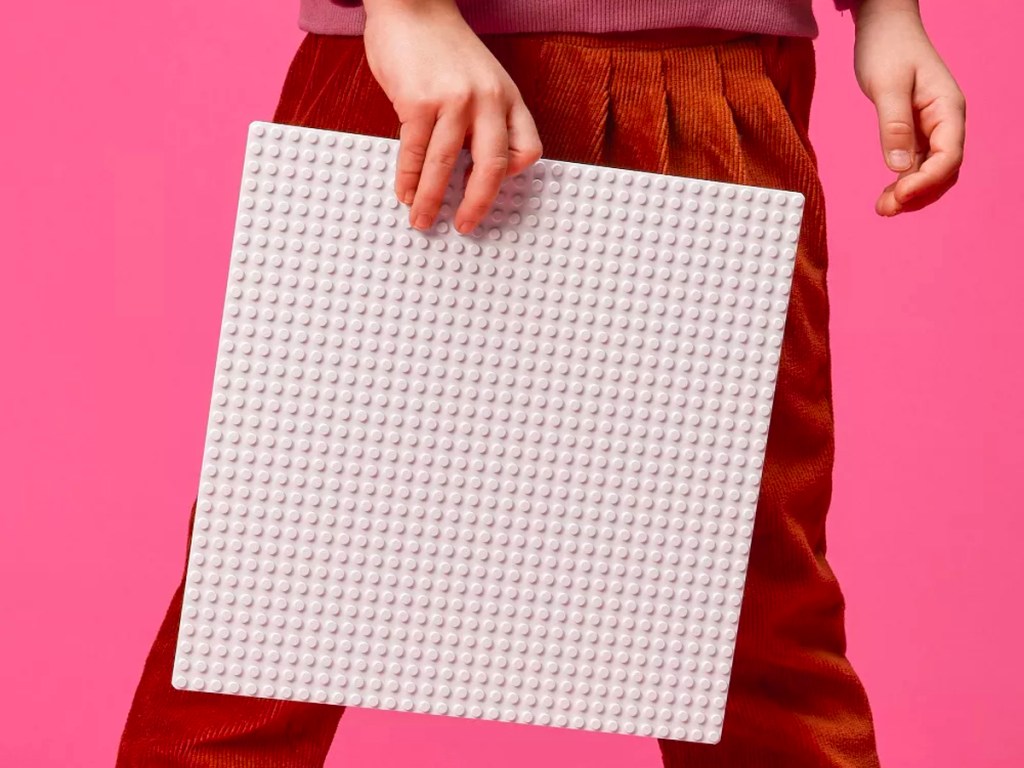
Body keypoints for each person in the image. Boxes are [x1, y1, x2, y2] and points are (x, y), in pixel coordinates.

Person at [116, 1, 966, 766]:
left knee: (756, 617)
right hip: (438, 72)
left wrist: (887, 8)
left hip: (718, 74)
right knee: (268, 608)